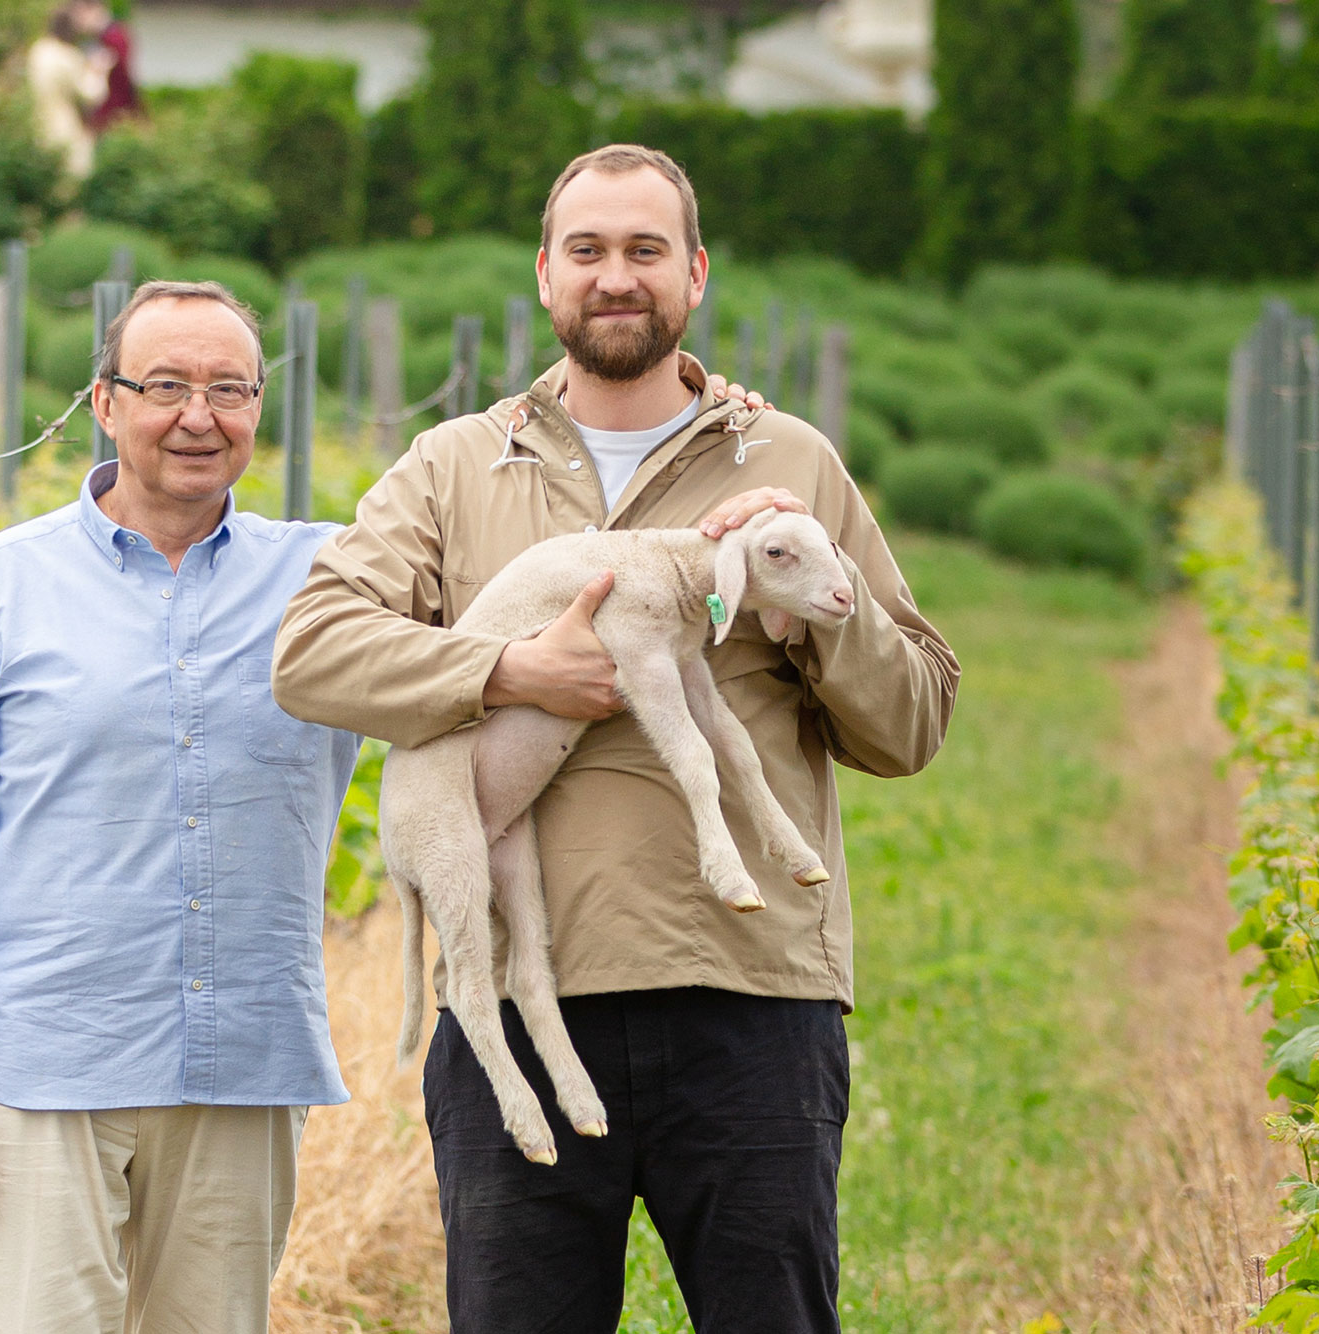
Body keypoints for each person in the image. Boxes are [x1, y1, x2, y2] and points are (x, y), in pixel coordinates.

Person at [271, 144, 960, 1332]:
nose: (615, 276)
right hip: (533, 1002)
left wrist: (797, 593)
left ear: (693, 274)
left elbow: (909, 724)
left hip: (748, 1000)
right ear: (544, 276)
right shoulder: (453, 465)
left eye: (645, 250)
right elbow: (312, 650)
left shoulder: (786, 461)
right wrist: (505, 668)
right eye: (586, 250)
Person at [0, 281, 362, 1334]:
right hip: (41, 1061)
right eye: (165, 384)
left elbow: (502, 564)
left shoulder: (329, 580)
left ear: (259, 406)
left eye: (229, 388)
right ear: (103, 399)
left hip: (241, 1059)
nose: (198, 414)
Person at [27, 4, 110, 178]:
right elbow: (90, 95)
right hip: (66, 131)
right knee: (71, 186)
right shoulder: (68, 56)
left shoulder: (38, 50)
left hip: (38, 127)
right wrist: (99, 71)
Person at [74, 0, 141, 131]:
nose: (78, 22)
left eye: (80, 15)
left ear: (93, 10)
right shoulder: (105, 37)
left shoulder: (113, 38)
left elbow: (120, 82)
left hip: (114, 118)